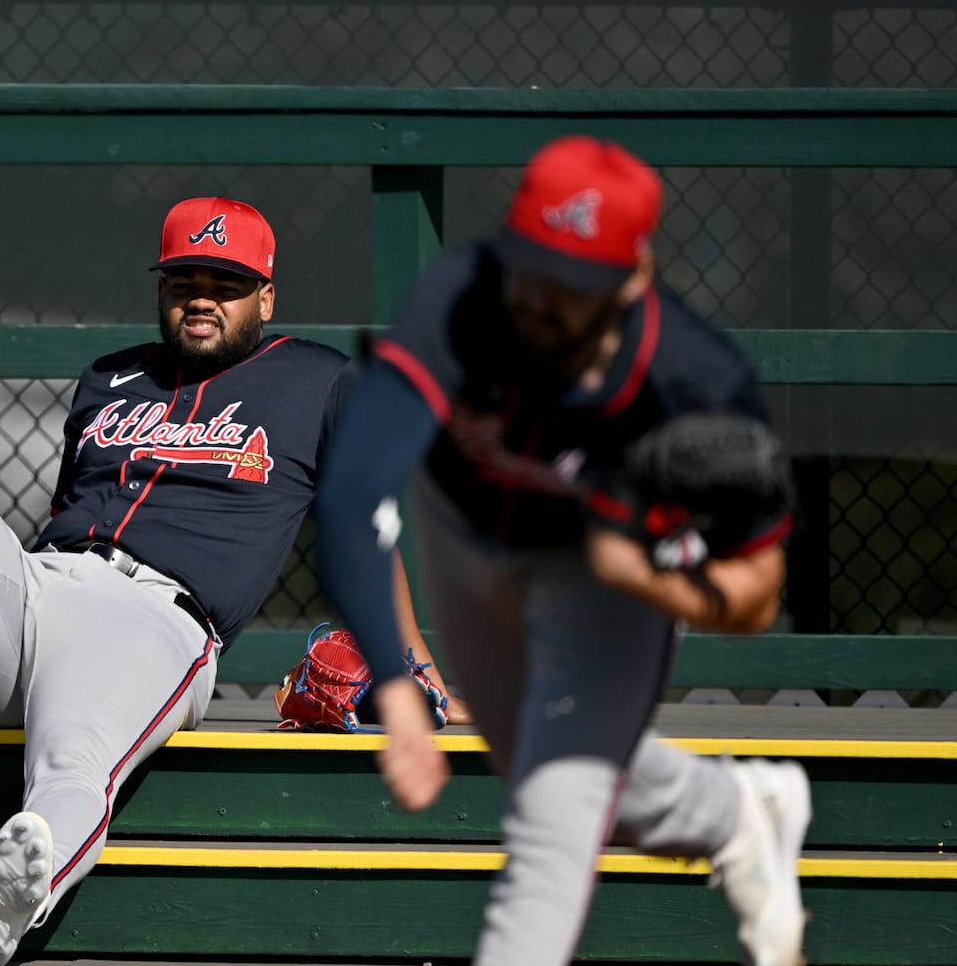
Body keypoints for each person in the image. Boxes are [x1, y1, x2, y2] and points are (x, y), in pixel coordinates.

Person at [0, 195, 463, 966]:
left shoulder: (319, 381)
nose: (201, 297)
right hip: (39, 587)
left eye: (224, 283)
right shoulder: (109, 376)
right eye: (184, 279)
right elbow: (65, 515)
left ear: (266, 296)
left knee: (70, 770)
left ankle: (14, 894)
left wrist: (411, 665)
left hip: (155, 622)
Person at [313, 136, 812, 966]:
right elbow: (349, 492)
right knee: (544, 769)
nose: (540, 299)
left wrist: (650, 576)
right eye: (530, 266)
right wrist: (396, 689)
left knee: (551, 817)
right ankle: (735, 813)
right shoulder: (464, 299)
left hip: (601, 577)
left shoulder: (695, 382)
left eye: (570, 283)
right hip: (462, 534)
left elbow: (759, 592)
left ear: (632, 278)